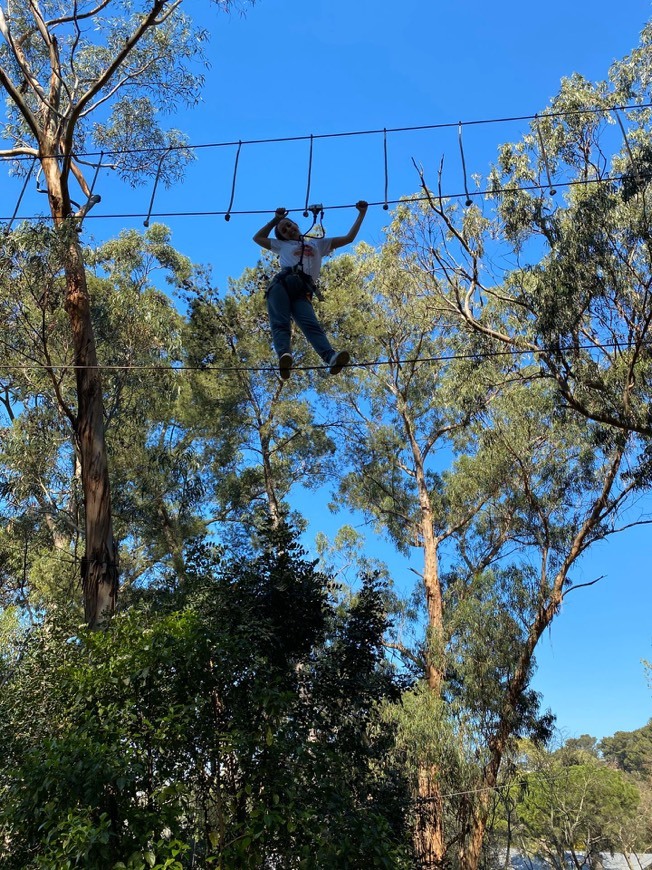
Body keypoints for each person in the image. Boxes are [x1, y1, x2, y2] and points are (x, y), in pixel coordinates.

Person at [252, 201, 368, 379]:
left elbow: (349, 238)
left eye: (289, 225)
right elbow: (258, 238)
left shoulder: (317, 244)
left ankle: (331, 358)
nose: (289, 229)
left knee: (312, 326)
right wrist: (276, 220)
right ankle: (284, 356)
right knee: (280, 322)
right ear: (282, 237)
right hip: (282, 283)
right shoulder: (282, 246)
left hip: (303, 290)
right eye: (284, 230)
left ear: (297, 225)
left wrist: (361, 214)